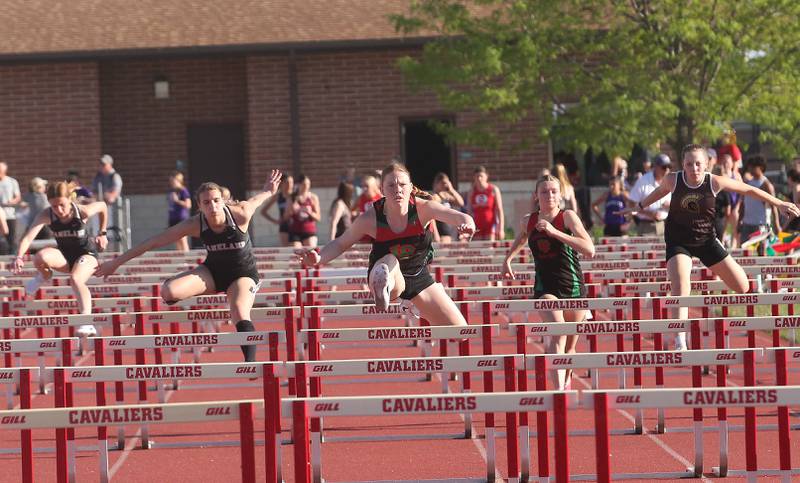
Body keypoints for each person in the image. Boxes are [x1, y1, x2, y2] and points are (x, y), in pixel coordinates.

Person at [95, 170, 282, 362]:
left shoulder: (241, 213)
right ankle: (198, 289)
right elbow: (152, 242)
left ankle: (250, 363)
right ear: (199, 206)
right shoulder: (194, 223)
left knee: (239, 310)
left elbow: (258, 199)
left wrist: (269, 190)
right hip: (213, 273)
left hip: (242, 274)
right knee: (168, 292)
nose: (213, 206)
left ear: (223, 201)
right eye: (207, 203)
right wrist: (115, 263)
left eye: (216, 200)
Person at [626, 144, 799, 350]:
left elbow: (750, 189)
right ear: (683, 165)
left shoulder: (714, 181)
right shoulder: (673, 179)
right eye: (689, 164)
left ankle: (682, 326)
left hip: (706, 241)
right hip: (679, 242)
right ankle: (679, 339)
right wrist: (639, 207)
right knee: (681, 285)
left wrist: (778, 203)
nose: (694, 169)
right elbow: (659, 191)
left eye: (698, 164)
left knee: (742, 286)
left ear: (707, 165)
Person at [298, 163, 476, 325]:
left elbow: (459, 216)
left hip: (418, 275)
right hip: (386, 275)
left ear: (411, 188)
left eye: (402, 185)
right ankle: (384, 285)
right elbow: (341, 243)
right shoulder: (371, 218)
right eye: (391, 185)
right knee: (391, 261)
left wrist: (468, 226)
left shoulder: (424, 208)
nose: (397, 190)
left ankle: (416, 307)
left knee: (459, 330)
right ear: (382, 189)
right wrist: (319, 258)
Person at [501, 174, 595, 390]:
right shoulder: (529, 220)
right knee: (557, 332)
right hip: (546, 288)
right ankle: (559, 391)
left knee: (570, 347)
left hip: (572, 286)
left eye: (553, 191)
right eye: (544, 191)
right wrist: (508, 258)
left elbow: (589, 249)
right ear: (536, 196)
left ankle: (565, 380)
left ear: (560, 195)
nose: (549, 195)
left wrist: (555, 233)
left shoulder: (568, 217)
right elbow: (523, 236)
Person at [13, 181, 108, 337]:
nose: (58, 210)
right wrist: (19, 257)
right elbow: (28, 237)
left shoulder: (81, 211)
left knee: (76, 279)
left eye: (62, 205)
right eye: (54, 206)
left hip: (87, 256)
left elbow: (103, 206)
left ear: (69, 200)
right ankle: (43, 276)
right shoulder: (46, 214)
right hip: (65, 258)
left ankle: (86, 321)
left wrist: (102, 233)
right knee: (40, 256)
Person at [739, 156, 780, 251]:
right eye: (750, 167)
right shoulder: (748, 183)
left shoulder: (766, 184)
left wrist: (776, 224)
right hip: (747, 223)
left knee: (761, 251)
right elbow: (743, 204)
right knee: (744, 250)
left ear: (760, 167)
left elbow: (774, 206)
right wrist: (739, 221)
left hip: (761, 224)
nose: (750, 169)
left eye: (753, 167)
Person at [628, 153, 671, 235]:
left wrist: (670, 205)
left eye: (669, 167)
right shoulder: (643, 181)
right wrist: (649, 214)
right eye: (664, 167)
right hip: (646, 225)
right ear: (656, 167)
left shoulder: (671, 181)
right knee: (646, 248)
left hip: (665, 225)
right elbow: (631, 204)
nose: (667, 169)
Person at [467, 166, 504, 240]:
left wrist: (501, 228)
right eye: (477, 176)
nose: (479, 178)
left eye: (481, 176)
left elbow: (499, 210)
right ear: (474, 178)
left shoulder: (493, 190)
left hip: (490, 225)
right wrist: (468, 228)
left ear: (486, 176)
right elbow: (469, 211)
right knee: (478, 248)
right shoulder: (472, 192)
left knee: (489, 248)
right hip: (477, 225)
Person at [91, 155, 123, 241]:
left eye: (104, 164)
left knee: (111, 234)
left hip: (112, 210)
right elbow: (93, 192)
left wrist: (104, 196)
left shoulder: (115, 176)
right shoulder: (98, 177)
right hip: (100, 208)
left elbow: (114, 195)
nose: (101, 167)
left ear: (110, 164)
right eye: (100, 164)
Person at [284, 175, 320, 248]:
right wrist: (292, 210)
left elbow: (318, 217)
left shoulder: (313, 198)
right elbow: (285, 217)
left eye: (308, 184)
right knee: (296, 251)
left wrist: (309, 212)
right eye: (304, 184)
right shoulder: (292, 198)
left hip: (309, 230)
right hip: (295, 231)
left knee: (310, 250)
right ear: (298, 185)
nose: (306, 186)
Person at [260, 174, 294, 246]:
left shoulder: (295, 196)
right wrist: (275, 221)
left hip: (295, 225)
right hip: (284, 225)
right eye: (287, 182)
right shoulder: (278, 196)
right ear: (281, 184)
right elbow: (263, 211)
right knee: (286, 249)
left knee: (296, 247)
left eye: (291, 182)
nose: (289, 185)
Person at [431, 172, 464, 243]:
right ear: (437, 184)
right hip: (441, 230)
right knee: (443, 252)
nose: (445, 185)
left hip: (449, 230)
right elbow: (431, 217)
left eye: (446, 183)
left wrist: (451, 189)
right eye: (442, 183)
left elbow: (461, 203)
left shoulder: (446, 196)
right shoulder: (434, 197)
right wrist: (435, 234)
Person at [719, 153, 743, 247]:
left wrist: (737, 206)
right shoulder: (721, 175)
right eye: (724, 162)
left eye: (727, 162)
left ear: (732, 164)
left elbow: (742, 192)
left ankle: (734, 248)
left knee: (735, 229)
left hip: (734, 205)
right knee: (722, 229)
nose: (726, 164)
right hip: (724, 206)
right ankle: (721, 245)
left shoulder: (736, 176)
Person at [0, 162, 22, 254]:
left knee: (12, 239)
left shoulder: (12, 182)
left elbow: (18, 197)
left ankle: (13, 259)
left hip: (10, 214)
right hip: (0, 214)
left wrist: (11, 202)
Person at [167, 172, 192, 251]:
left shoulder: (183, 191)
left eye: (173, 181)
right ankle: (180, 259)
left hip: (181, 218)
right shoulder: (172, 191)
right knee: (176, 240)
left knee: (182, 239)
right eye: (170, 181)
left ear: (178, 180)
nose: (171, 183)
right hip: (173, 218)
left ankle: (186, 259)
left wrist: (177, 201)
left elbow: (188, 205)